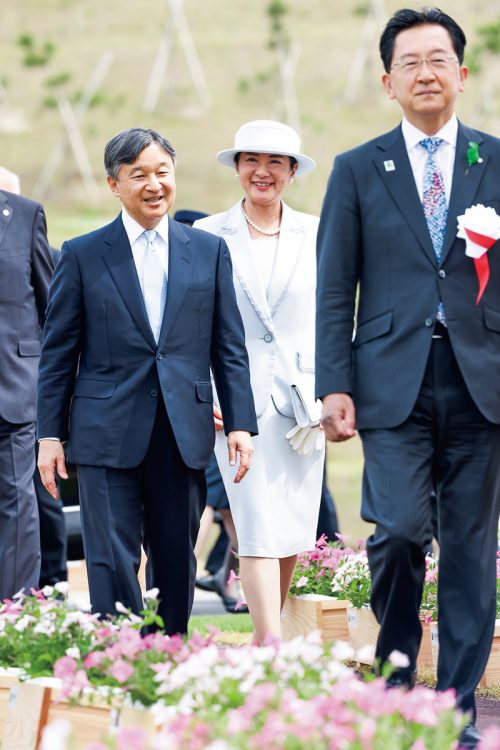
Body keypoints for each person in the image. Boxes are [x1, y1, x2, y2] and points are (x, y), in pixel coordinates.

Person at [315, 8, 500, 748]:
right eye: (409, 62)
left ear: (462, 71)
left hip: (482, 382)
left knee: (467, 549)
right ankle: (396, 684)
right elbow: (336, 286)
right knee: (396, 533)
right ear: (387, 80)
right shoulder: (358, 168)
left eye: (439, 59)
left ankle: (451, 709)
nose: (426, 72)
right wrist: (335, 382)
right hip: (389, 384)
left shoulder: (496, 159)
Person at [37, 127, 257, 636]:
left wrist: (241, 422)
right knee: (110, 561)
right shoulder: (83, 253)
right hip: (103, 432)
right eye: (140, 175)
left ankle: (167, 659)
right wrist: (49, 435)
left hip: (183, 430)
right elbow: (57, 354)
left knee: (175, 557)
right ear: (114, 184)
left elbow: (229, 345)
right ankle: (119, 662)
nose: (154, 185)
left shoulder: (208, 251)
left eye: (163, 172)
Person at [194, 119, 324, 644]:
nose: (262, 172)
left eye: (275, 162)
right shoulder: (206, 234)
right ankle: (271, 643)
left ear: (292, 171)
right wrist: (206, 389)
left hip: (303, 402)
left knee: (291, 524)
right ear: (237, 167)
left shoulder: (319, 231)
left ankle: (262, 641)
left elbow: (336, 315)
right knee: (254, 521)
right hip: (235, 400)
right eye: (251, 160)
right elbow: (192, 322)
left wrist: (335, 389)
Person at [0, 166, 54, 600]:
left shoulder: (24, 215)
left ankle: (13, 616)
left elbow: (52, 308)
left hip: (13, 388)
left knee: (18, 506)